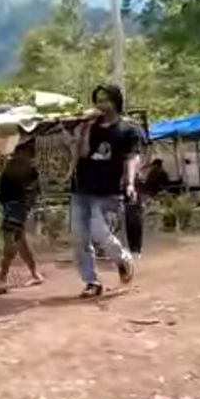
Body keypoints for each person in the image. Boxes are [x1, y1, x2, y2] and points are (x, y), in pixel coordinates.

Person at [71, 84, 140, 297]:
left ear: (116, 101)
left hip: (108, 190)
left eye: (106, 99)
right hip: (81, 188)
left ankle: (123, 259)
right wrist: (84, 130)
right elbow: (82, 154)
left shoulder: (129, 129)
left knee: (99, 232)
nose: (101, 104)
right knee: (79, 237)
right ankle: (91, 282)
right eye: (98, 100)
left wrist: (130, 183)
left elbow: (132, 158)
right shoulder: (89, 127)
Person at [0, 141, 44, 294]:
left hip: (18, 209)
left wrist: (23, 212)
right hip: (12, 207)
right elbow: (4, 191)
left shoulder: (28, 170)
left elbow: (31, 195)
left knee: (11, 244)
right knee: (20, 243)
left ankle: (2, 278)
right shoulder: (14, 167)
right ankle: (35, 274)